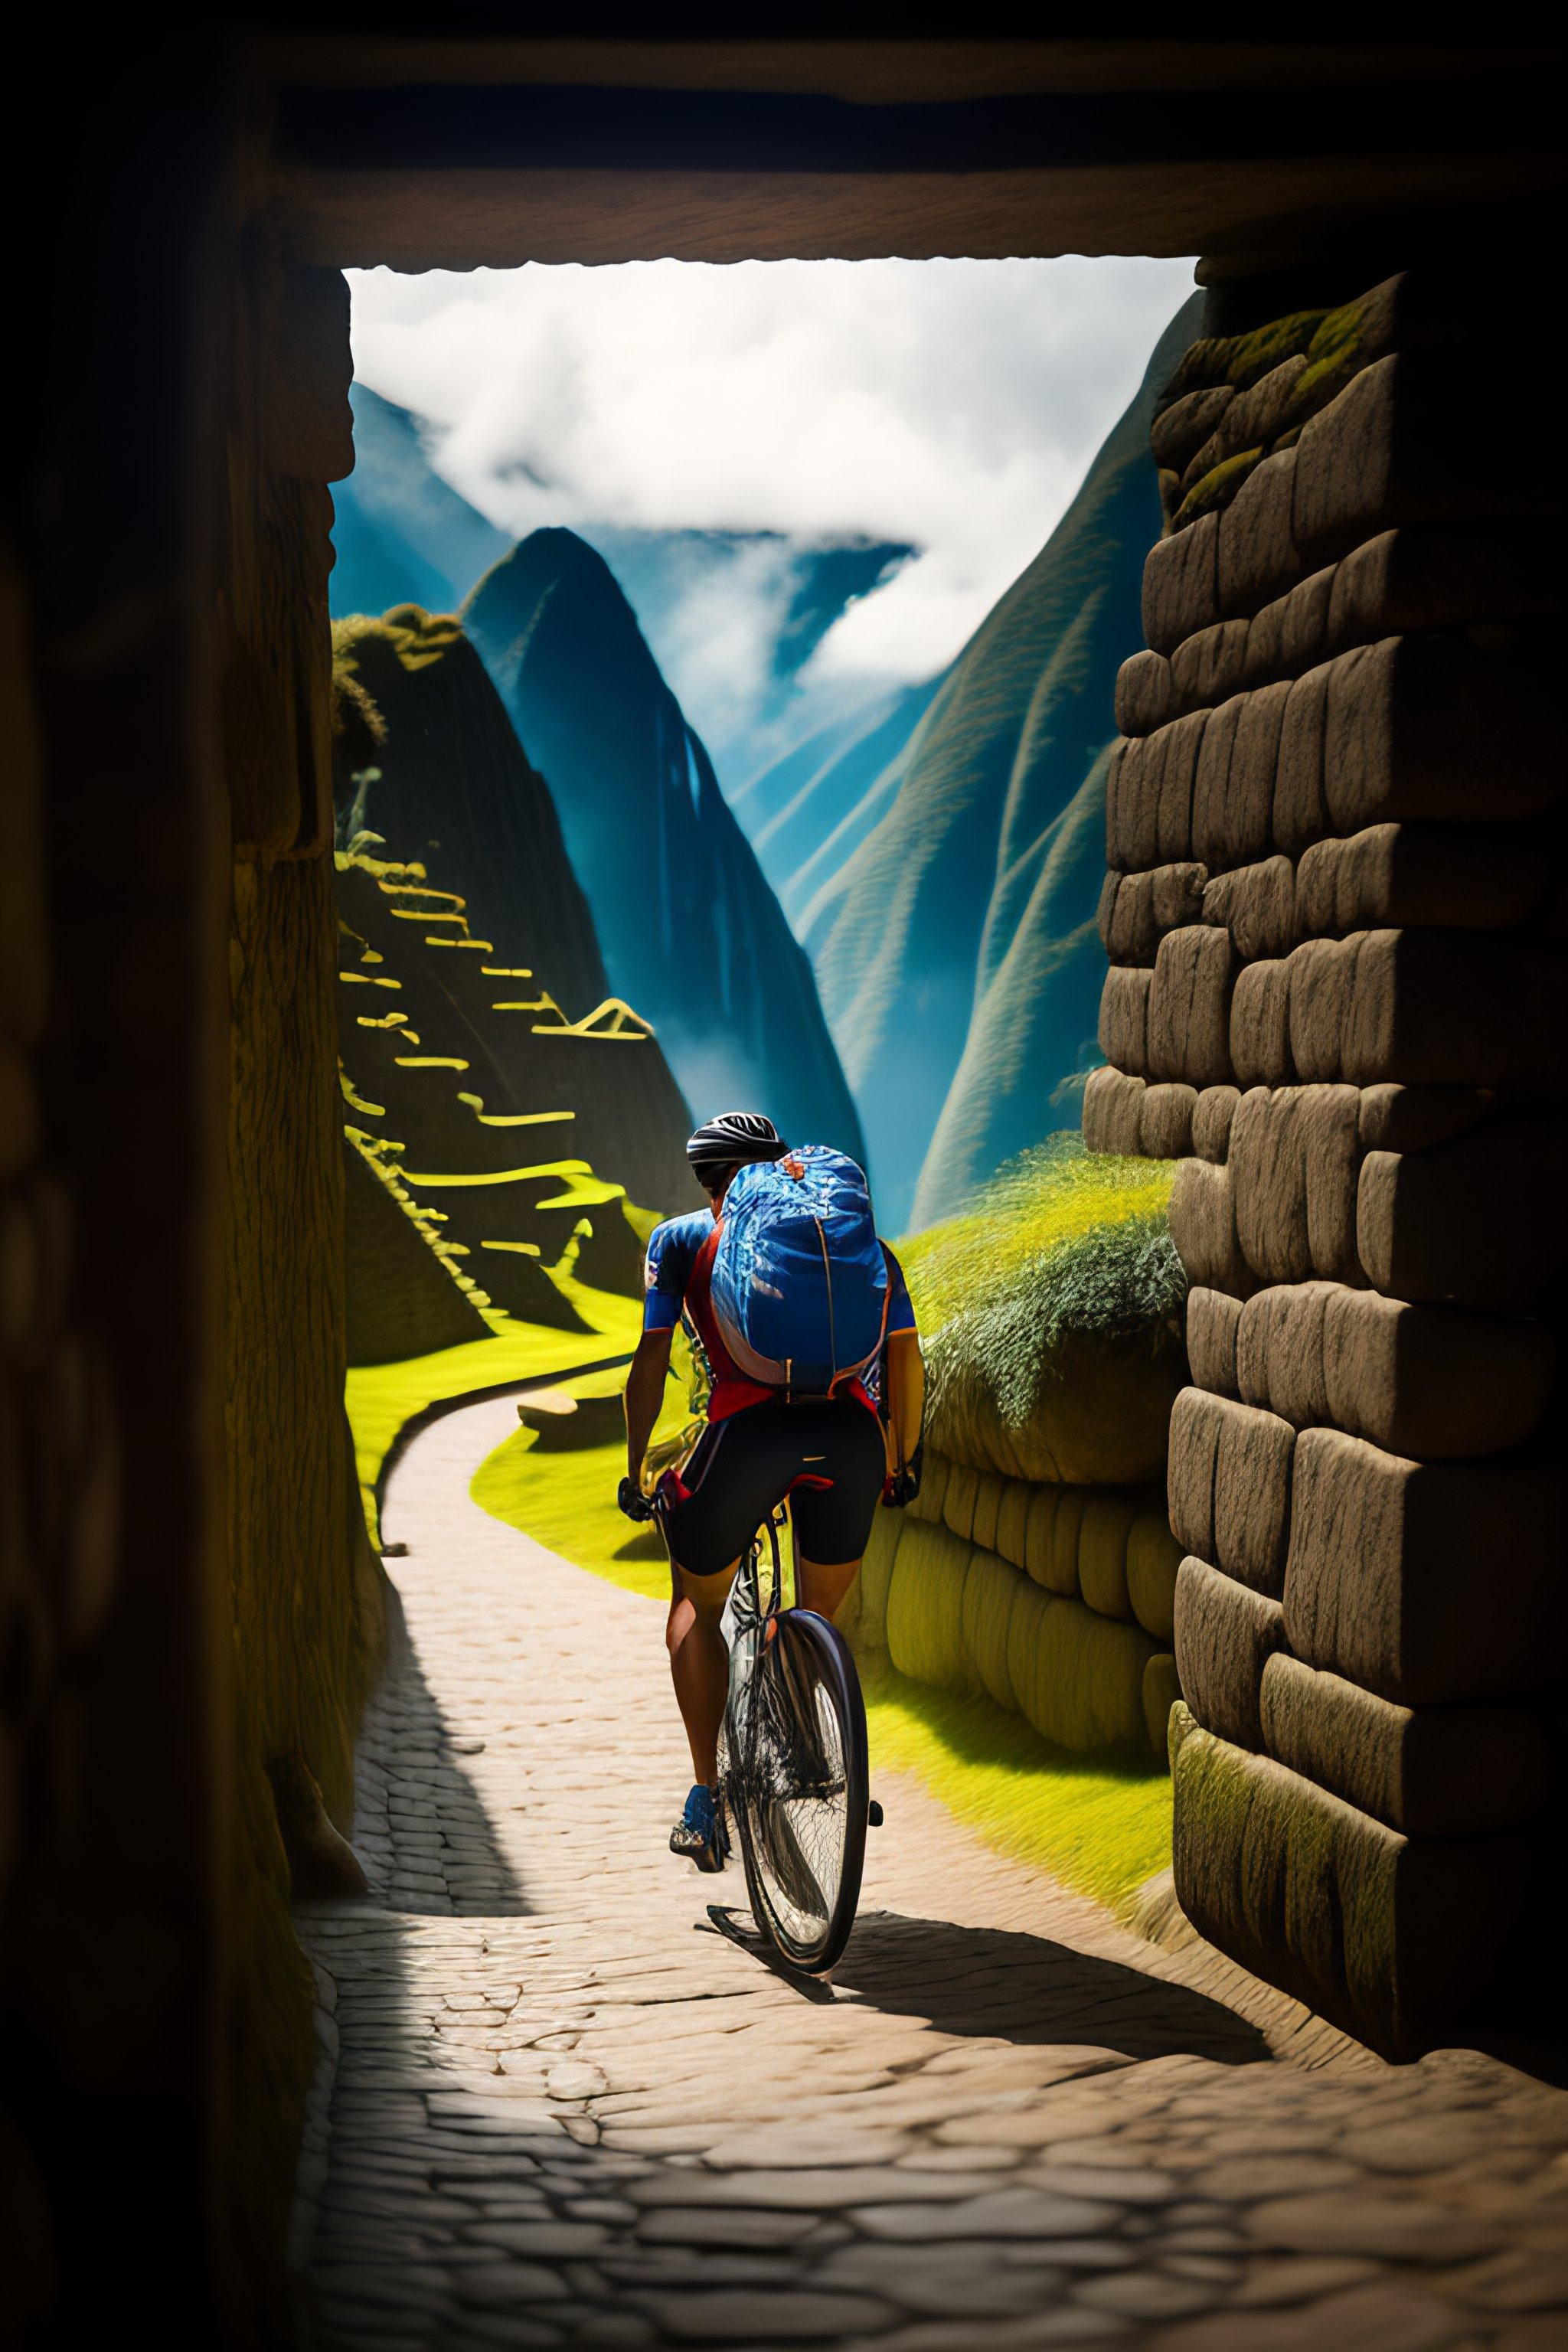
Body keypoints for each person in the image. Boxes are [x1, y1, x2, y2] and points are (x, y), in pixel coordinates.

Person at [619, 1112, 924, 1873]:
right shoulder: (859, 1248)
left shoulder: (682, 1242)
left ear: (707, 1182)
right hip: (849, 1445)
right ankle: (809, 1738)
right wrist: (900, 1462)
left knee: (695, 1601)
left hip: (747, 1440)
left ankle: (702, 1799)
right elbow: (906, 1365)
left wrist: (635, 1469)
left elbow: (650, 1368)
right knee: (814, 1613)